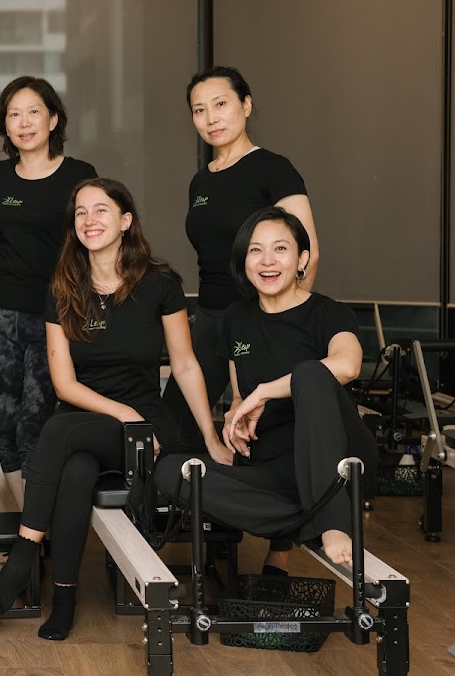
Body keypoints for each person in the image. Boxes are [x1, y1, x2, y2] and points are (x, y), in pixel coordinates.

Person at [0, 178, 230, 640]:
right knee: (74, 471)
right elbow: (64, 383)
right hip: (94, 421)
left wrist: (210, 438)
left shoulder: (160, 284)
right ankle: (66, 597)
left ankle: (23, 555)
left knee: (56, 434)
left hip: (146, 428)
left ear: (125, 221)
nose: (89, 220)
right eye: (80, 213)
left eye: (101, 211)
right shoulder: (62, 288)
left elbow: (187, 365)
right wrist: (122, 413)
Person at [158, 66, 317, 569]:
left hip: (264, 318)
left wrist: (283, 318)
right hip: (210, 317)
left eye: (221, 104)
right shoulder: (200, 180)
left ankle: (280, 554)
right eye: (199, 110)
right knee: (179, 423)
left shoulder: (274, 168)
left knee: (270, 428)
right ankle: (208, 523)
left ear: (246, 105)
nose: (210, 118)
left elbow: (306, 252)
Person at [156, 206, 376, 567]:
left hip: (339, 463)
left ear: (302, 259)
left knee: (310, 373)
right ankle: (300, 519)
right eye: (255, 250)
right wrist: (234, 418)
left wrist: (265, 391)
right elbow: (241, 393)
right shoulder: (236, 319)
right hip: (275, 473)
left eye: (280, 249)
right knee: (172, 473)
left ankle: (335, 521)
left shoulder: (328, 313)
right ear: (244, 260)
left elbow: (347, 364)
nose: (266, 261)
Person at [0, 76, 96, 509]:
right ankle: (31, 525)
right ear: (4, 126)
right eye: (13, 114)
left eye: (33, 112)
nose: (23, 122)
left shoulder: (80, 175)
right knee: (5, 422)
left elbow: (91, 234)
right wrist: (18, 252)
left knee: (38, 421)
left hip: (57, 313)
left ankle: (38, 523)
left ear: (53, 119)